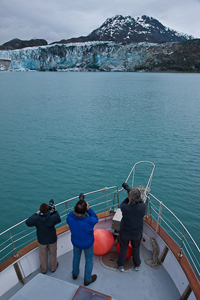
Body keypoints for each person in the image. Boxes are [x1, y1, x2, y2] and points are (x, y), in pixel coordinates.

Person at [67, 193, 99, 286]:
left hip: (75, 241)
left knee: (76, 257)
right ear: (85, 210)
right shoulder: (89, 221)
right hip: (87, 244)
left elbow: (73, 214)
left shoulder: (69, 218)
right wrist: (89, 209)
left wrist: (82, 207)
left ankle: (75, 274)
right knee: (89, 260)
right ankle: (87, 279)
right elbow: (95, 218)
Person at [25, 200, 61, 274]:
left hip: (42, 240)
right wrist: (55, 211)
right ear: (48, 210)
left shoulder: (37, 218)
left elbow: (28, 222)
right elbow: (58, 219)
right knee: (52, 253)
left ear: (40, 210)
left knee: (43, 255)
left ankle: (44, 269)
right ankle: (53, 267)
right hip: (52, 239)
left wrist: (36, 214)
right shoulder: (52, 217)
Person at [116, 186, 146, 272]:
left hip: (125, 232)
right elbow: (140, 202)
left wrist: (128, 196)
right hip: (137, 233)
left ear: (130, 198)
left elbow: (123, 204)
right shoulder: (143, 207)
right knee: (136, 248)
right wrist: (132, 196)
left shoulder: (125, 208)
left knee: (123, 247)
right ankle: (137, 265)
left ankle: (121, 265)